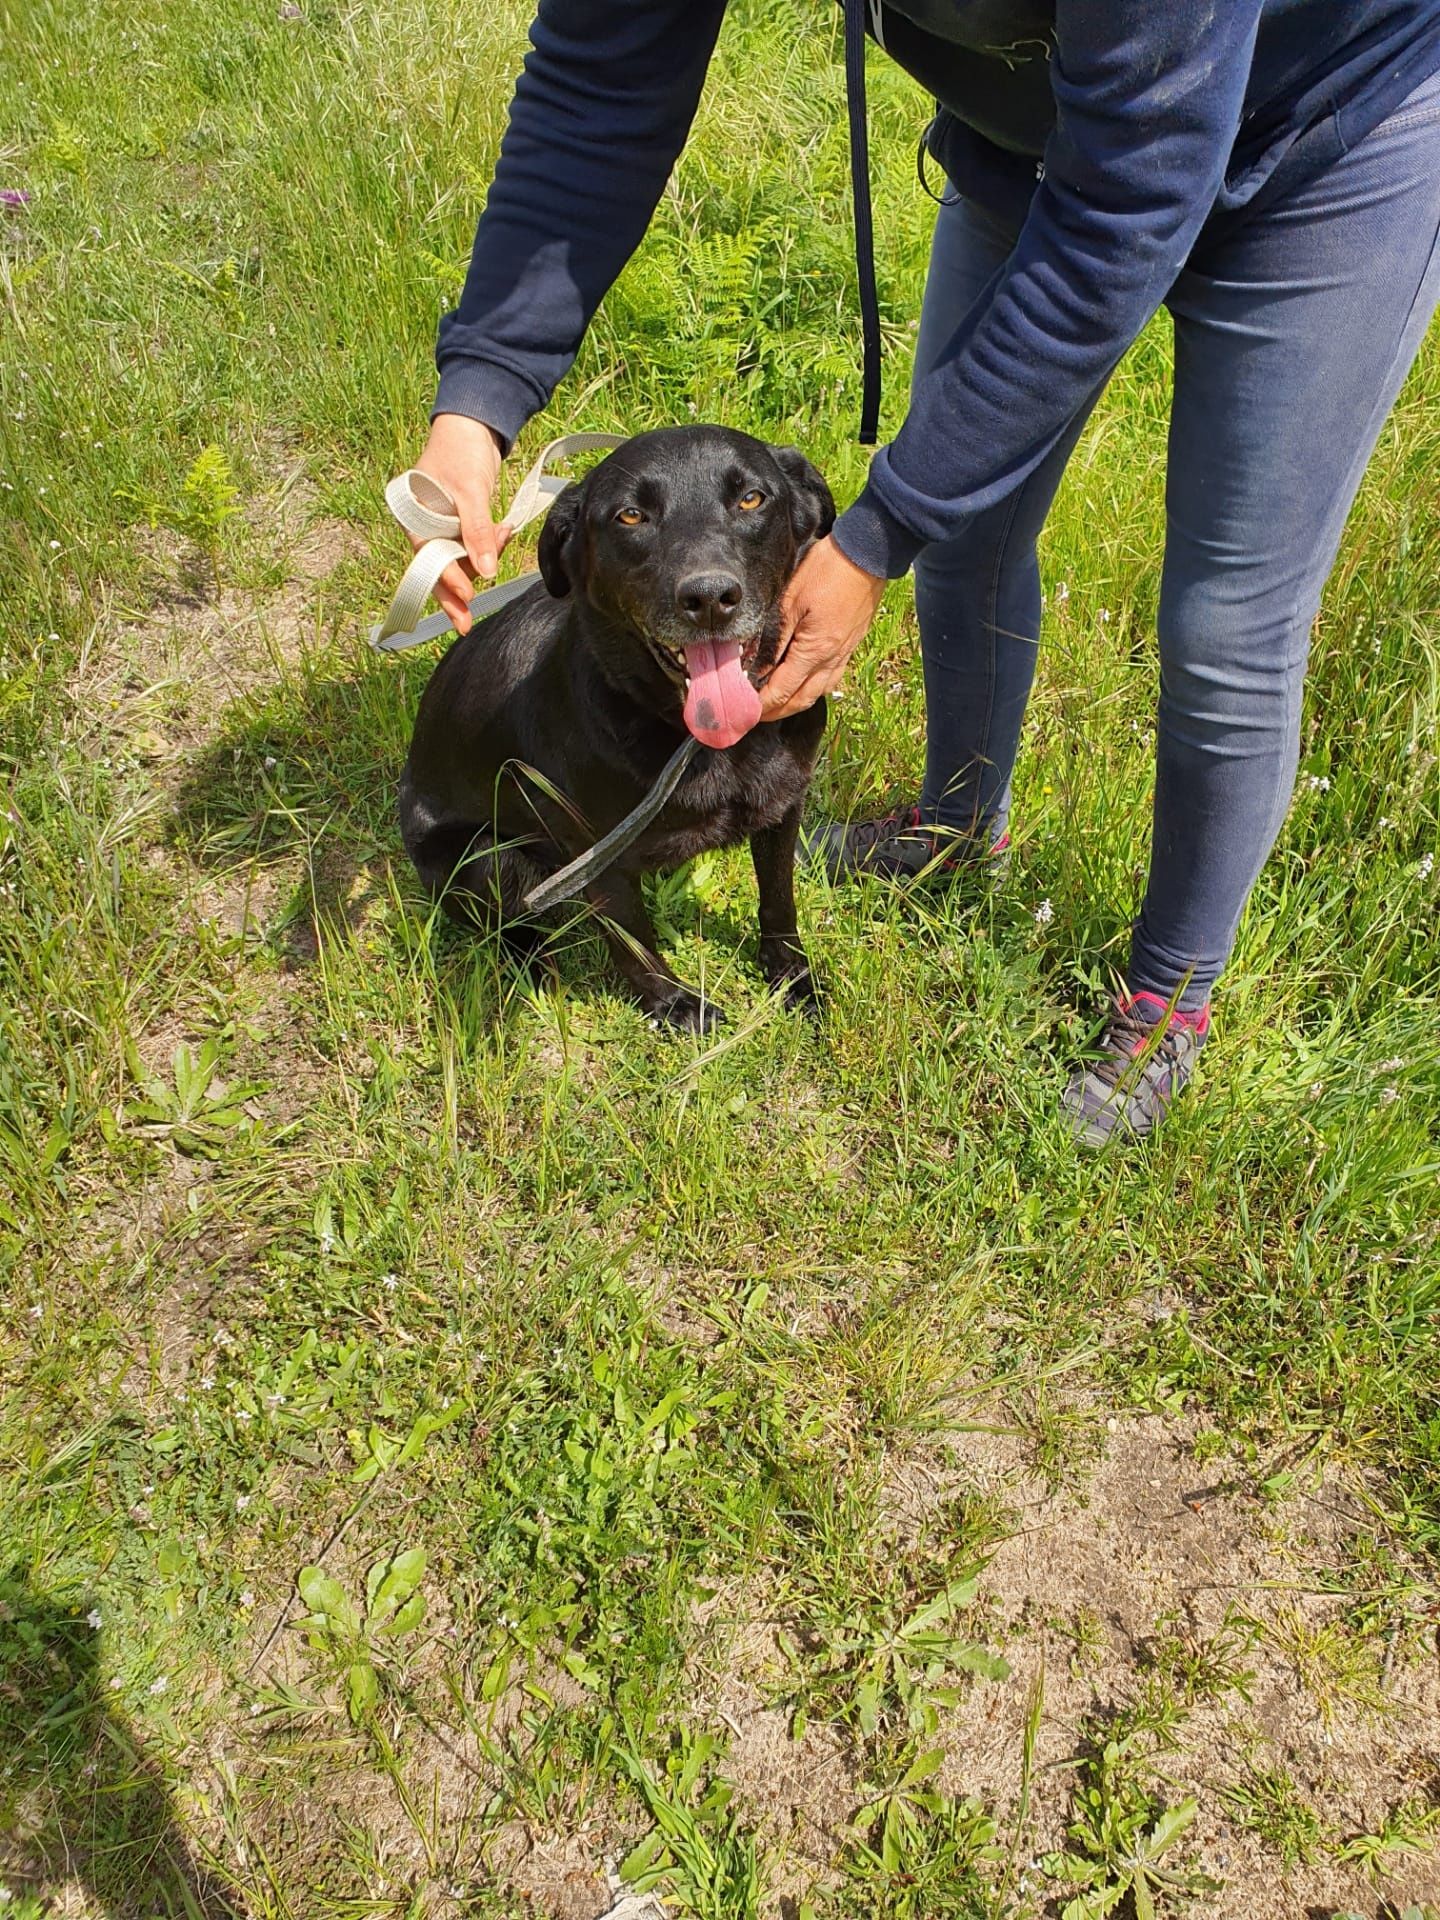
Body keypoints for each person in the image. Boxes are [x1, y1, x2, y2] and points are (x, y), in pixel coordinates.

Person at [407, 0, 1440, 1148]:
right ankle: (956, 825)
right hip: (1040, 142)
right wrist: (480, 399)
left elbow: (1133, 200)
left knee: (1226, 627)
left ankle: (1167, 1001)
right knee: (973, 540)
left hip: (1331, 140)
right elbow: (604, 77)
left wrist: (878, 529)